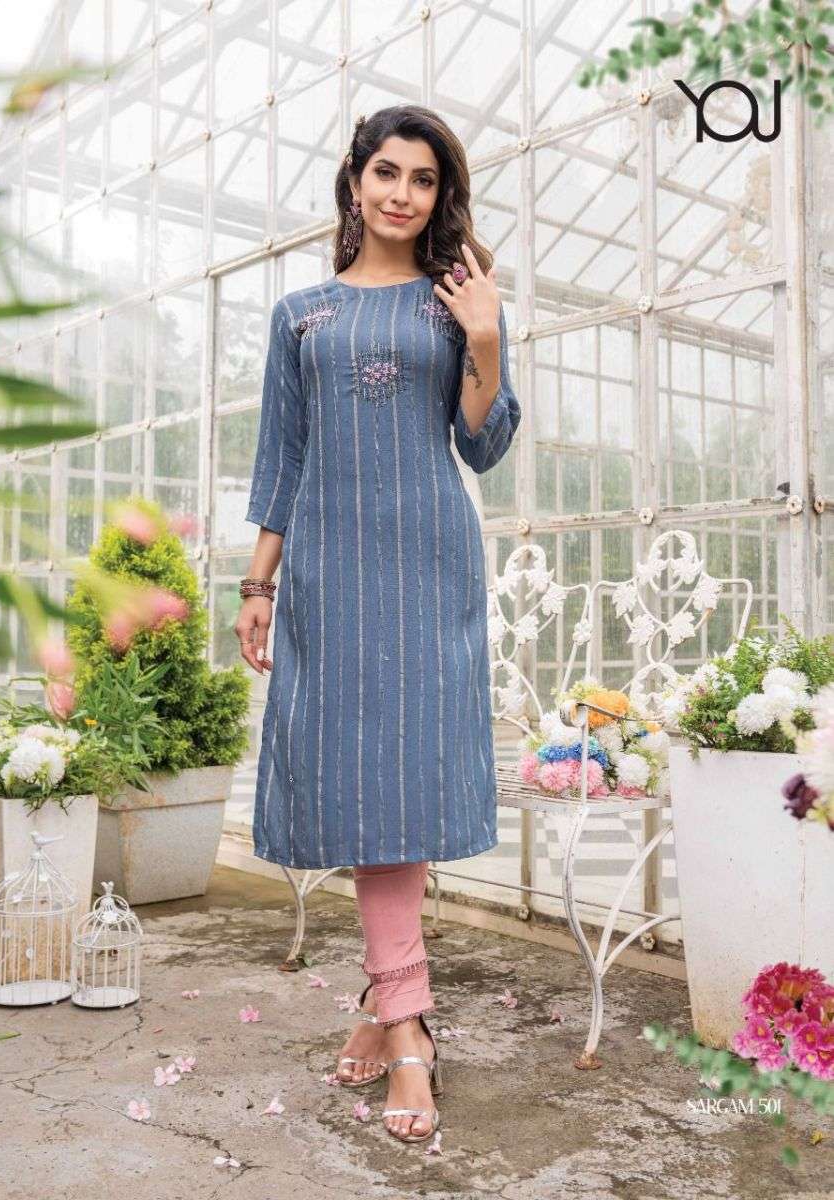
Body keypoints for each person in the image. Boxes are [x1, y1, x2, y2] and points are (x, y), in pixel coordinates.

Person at [234, 104, 521, 1145]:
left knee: (401, 775)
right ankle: (398, 1011)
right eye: (387, 172)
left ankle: (400, 1020)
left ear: (442, 197)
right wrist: (257, 584)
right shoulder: (300, 314)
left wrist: (484, 339)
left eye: (424, 179)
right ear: (355, 179)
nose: (403, 193)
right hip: (329, 570)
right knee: (359, 779)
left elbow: (483, 444)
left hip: (426, 565)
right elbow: (283, 457)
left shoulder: (458, 300)